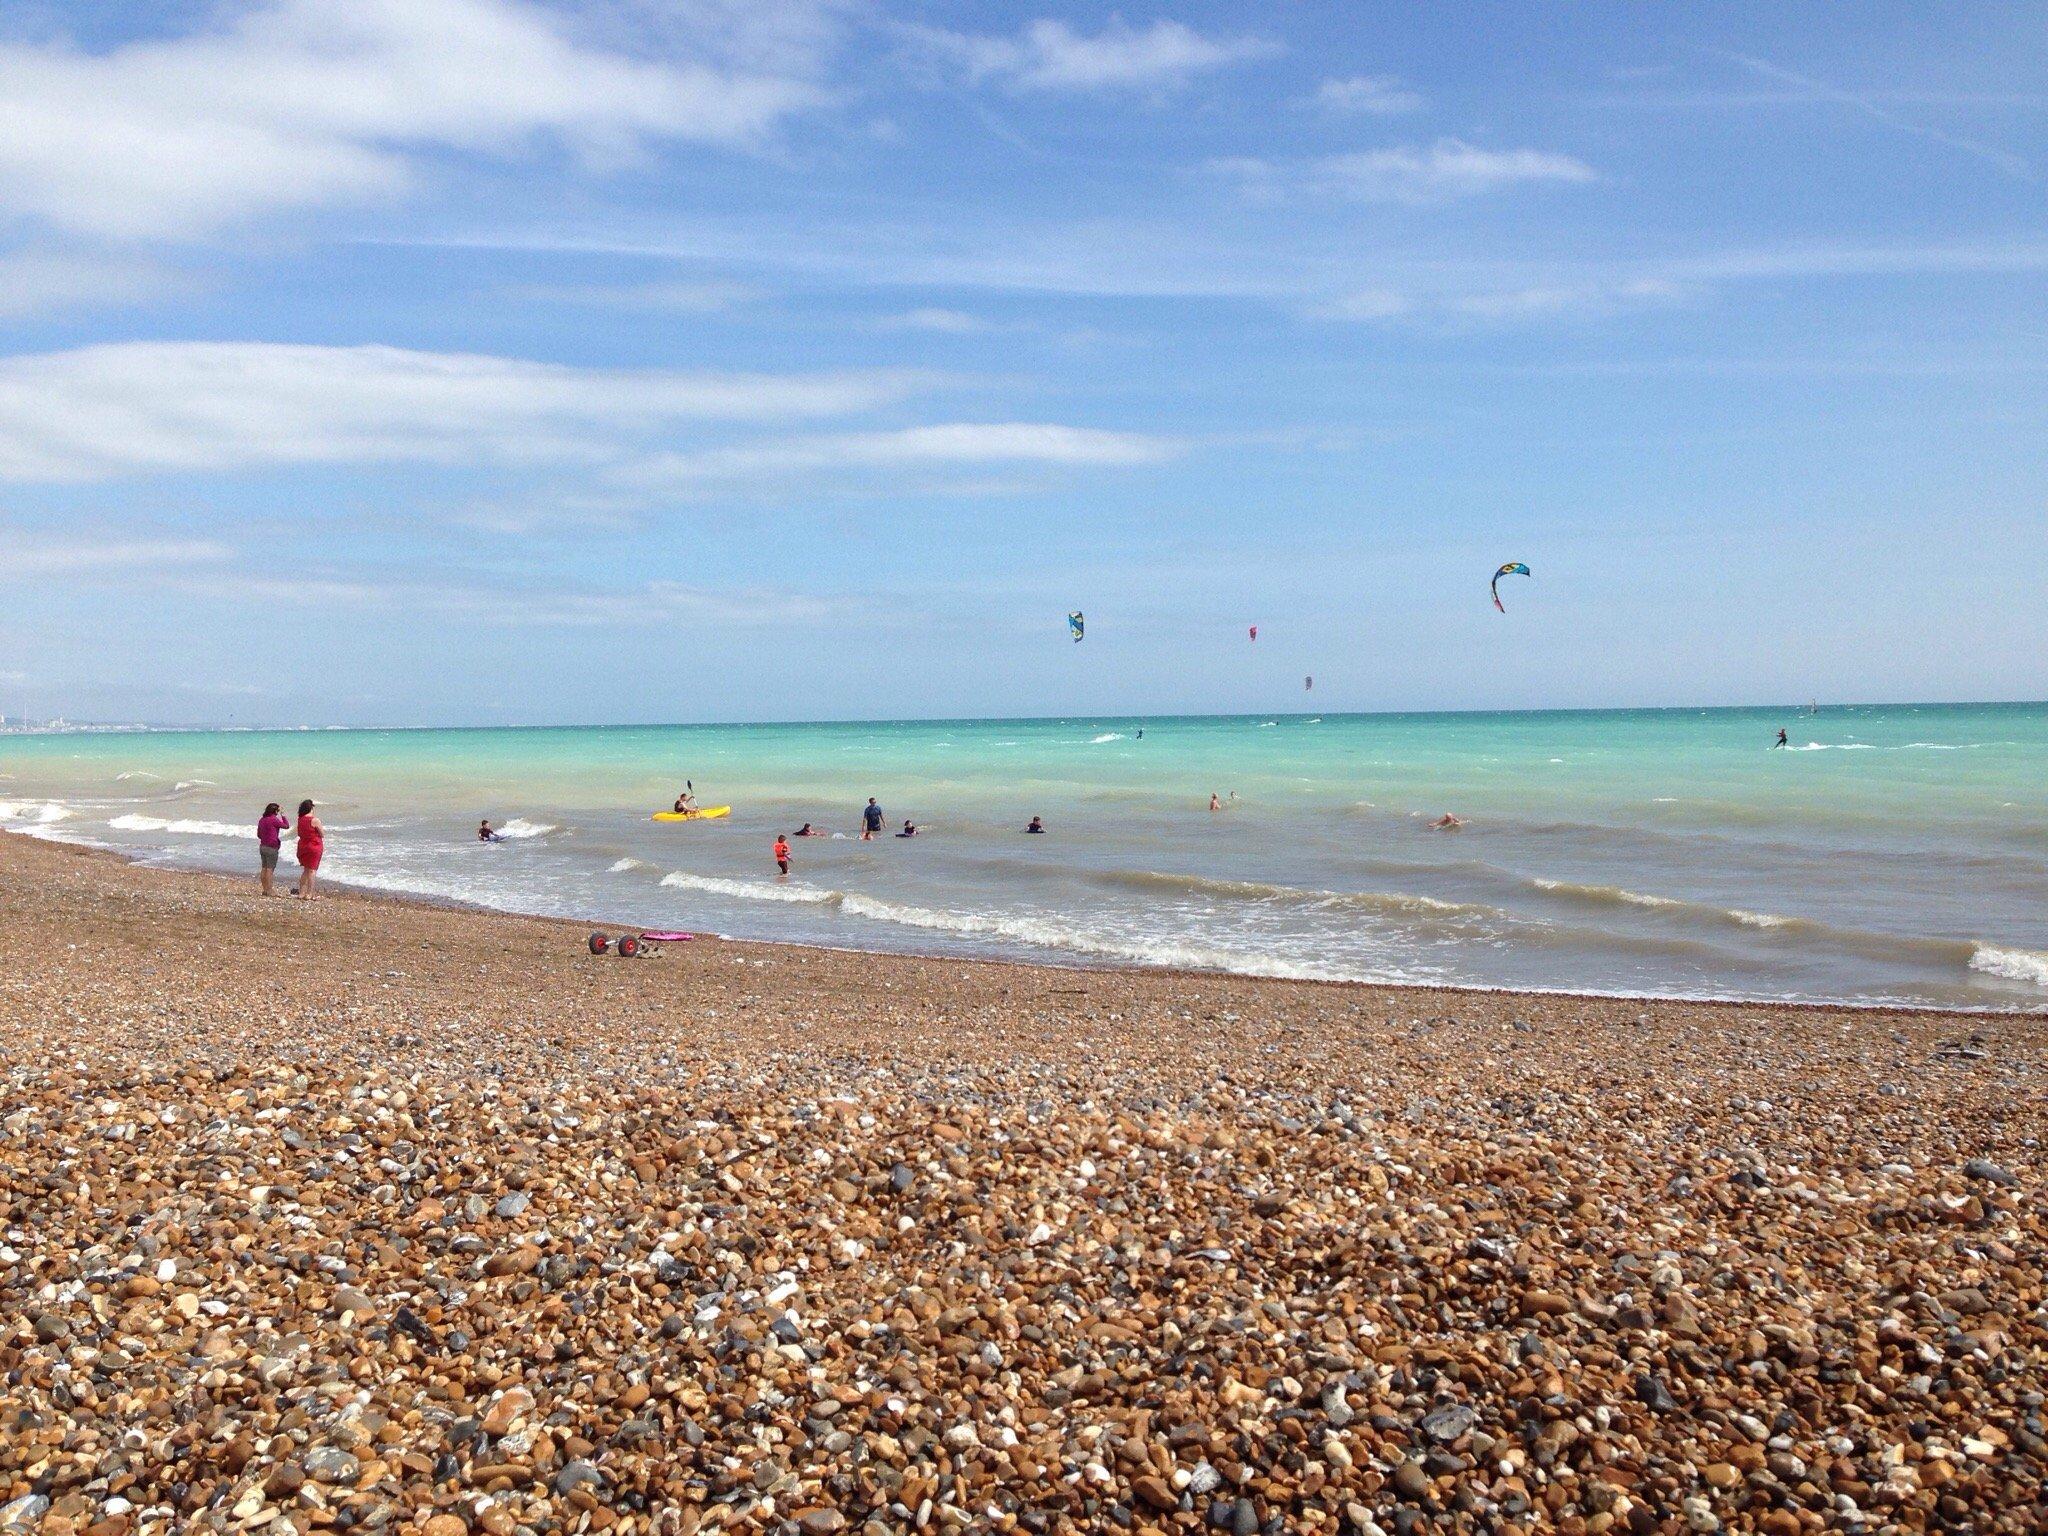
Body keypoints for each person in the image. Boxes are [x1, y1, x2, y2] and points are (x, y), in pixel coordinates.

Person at [293, 799, 324, 898]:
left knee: (306, 870)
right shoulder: (315, 820)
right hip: (314, 845)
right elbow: (322, 834)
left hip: (303, 845)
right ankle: (309, 893)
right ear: (311, 808)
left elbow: (299, 833)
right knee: (312, 871)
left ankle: (301, 893)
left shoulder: (300, 819)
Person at [256, 801, 289, 896]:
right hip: (272, 846)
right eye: (278, 811)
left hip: (263, 846)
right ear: (275, 811)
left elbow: (259, 834)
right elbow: (286, 826)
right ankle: (269, 890)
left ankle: (265, 889)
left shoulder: (262, 819)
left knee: (264, 868)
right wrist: (283, 816)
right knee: (270, 869)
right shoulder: (273, 820)